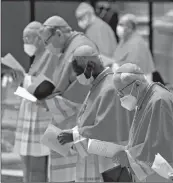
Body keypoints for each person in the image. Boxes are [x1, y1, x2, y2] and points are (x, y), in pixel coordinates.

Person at [111, 63, 173, 182]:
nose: (120, 97)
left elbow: (160, 147)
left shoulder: (159, 101)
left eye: (121, 92)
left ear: (137, 85)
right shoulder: (146, 98)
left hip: (166, 169)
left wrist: (127, 155)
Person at [56, 45, 134, 182]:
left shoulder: (110, 88)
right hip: (98, 157)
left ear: (91, 65)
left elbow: (105, 129)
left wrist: (74, 135)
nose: (78, 77)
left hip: (109, 162)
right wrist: (74, 131)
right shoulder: (99, 84)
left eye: (79, 72)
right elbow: (88, 119)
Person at [38, 15, 98, 182]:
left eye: (47, 41)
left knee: (78, 172)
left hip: (79, 120)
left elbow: (84, 89)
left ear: (58, 34)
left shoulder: (81, 47)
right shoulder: (70, 46)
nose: (46, 46)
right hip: (69, 119)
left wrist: (53, 102)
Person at [13, 21, 58, 182]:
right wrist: (21, 82)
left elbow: (42, 90)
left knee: (37, 167)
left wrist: (22, 81)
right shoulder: (37, 57)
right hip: (31, 114)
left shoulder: (50, 57)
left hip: (41, 117)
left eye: (27, 38)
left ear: (39, 39)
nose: (25, 43)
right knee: (28, 163)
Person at [112, 14, 155, 83]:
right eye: (119, 24)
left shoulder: (137, 43)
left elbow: (132, 68)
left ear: (130, 28)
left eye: (121, 25)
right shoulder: (124, 40)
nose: (118, 27)